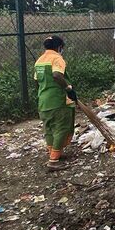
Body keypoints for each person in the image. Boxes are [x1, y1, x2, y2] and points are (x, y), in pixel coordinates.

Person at [34, 36, 77, 171]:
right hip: (57, 100)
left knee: (49, 129)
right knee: (61, 128)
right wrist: (68, 89)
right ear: (59, 47)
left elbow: (36, 81)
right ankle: (53, 161)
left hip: (43, 101)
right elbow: (57, 75)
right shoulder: (57, 58)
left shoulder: (39, 61)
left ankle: (54, 153)